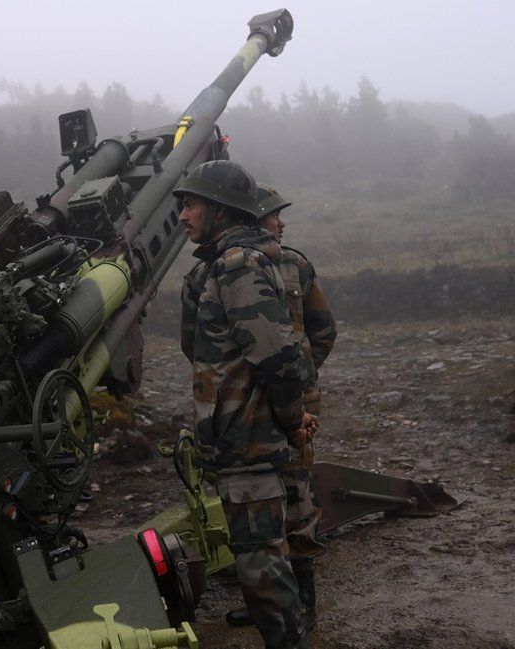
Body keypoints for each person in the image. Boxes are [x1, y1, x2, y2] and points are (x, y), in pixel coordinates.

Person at [175, 160, 315, 649]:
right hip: (240, 438)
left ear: (218, 209)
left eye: (190, 204)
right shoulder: (225, 264)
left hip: (248, 440)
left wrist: (293, 421)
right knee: (261, 561)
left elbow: (279, 358)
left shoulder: (237, 264)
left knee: (261, 569)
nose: (182, 216)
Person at [221, 184, 338, 630]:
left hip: (294, 402)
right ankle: (267, 603)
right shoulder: (224, 268)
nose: (281, 222)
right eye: (273, 215)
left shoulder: (296, 265)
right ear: (252, 218)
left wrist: (302, 375)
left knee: (296, 495)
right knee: (253, 498)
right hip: (247, 405)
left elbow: (323, 330)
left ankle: (303, 602)